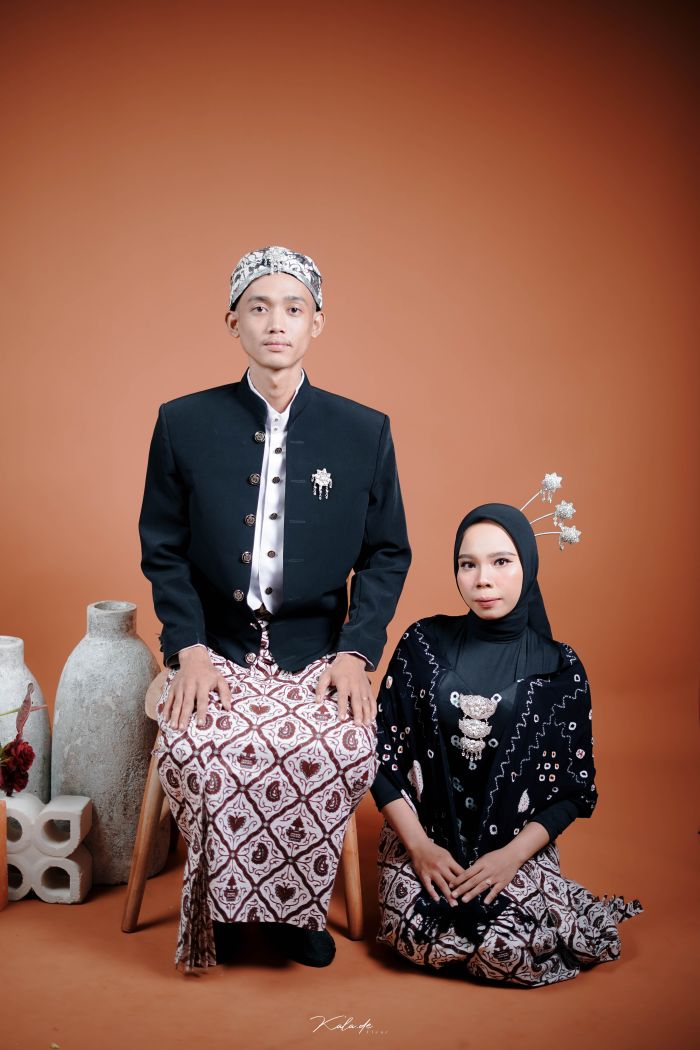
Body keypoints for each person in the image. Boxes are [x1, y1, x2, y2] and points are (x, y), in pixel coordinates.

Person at [139, 246, 411, 971]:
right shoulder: (182, 422)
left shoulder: (364, 431)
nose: (276, 323)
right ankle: (226, 909)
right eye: (258, 308)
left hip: (315, 648)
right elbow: (163, 548)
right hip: (216, 644)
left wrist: (356, 651)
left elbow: (387, 552)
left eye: (294, 308)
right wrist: (188, 649)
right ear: (233, 321)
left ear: (318, 322)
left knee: (340, 743)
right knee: (197, 743)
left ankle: (293, 912)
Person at [371, 503, 641, 986]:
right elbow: (379, 754)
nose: (482, 580)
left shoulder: (559, 668)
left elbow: (574, 791)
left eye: (501, 561)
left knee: (512, 952)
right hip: (425, 845)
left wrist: (511, 857)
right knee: (414, 935)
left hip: (512, 850)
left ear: (528, 566)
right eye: (467, 564)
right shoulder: (421, 645)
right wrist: (419, 847)